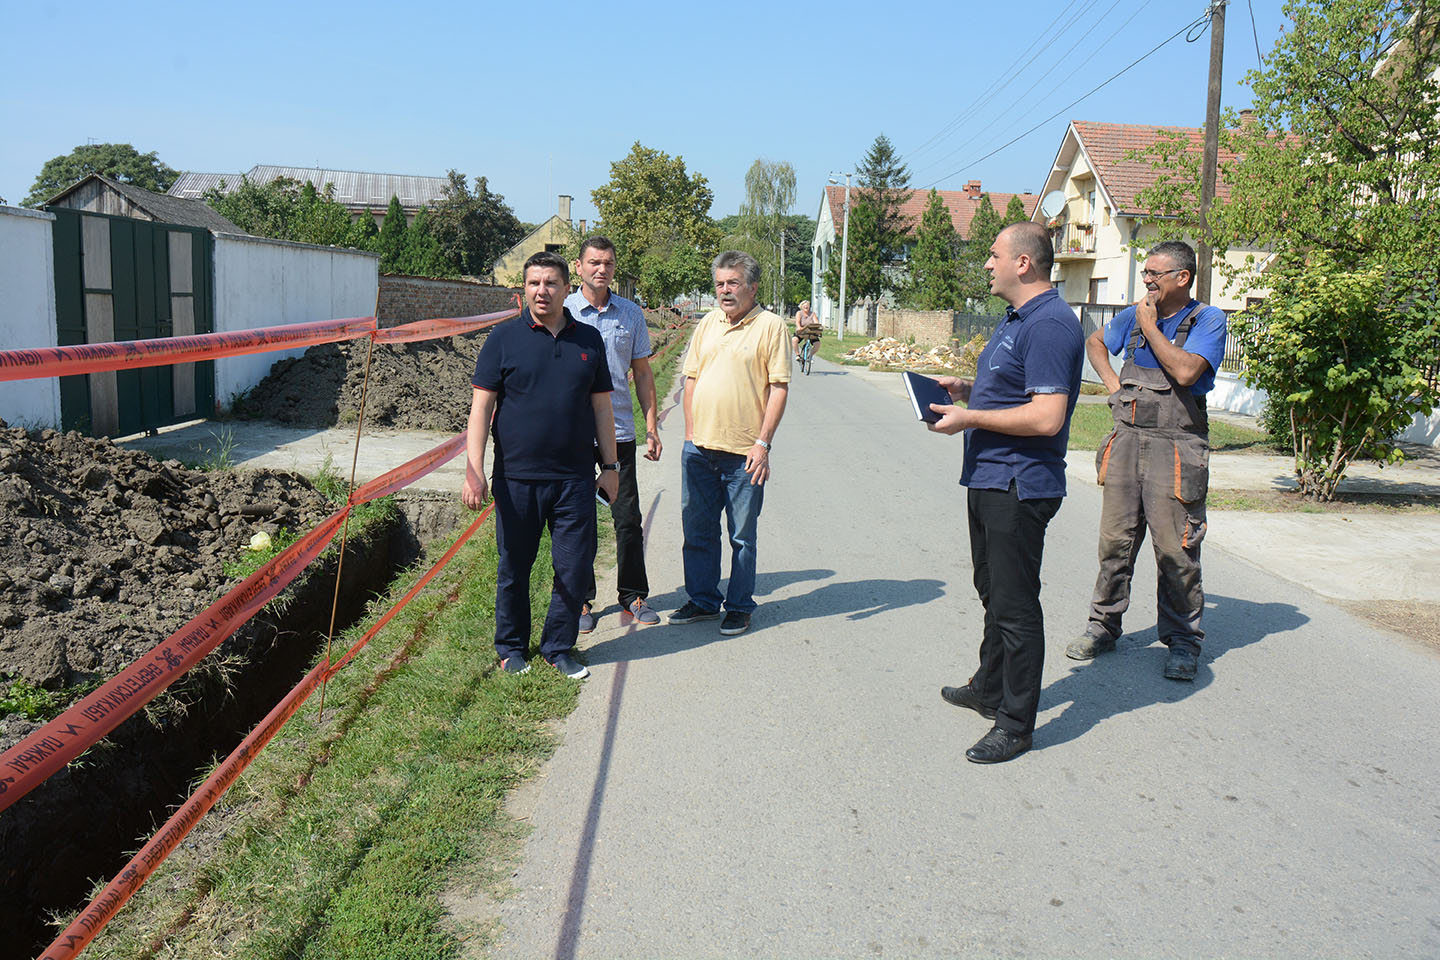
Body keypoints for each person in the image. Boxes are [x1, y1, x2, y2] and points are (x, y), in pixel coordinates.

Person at [930, 222, 1084, 764]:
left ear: (1024, 263)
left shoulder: (1051, 325)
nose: (987, 264)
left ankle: (1016, 723)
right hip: (989, 475)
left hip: (1020, 483)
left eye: (994, 255)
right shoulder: (1015, 319)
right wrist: (971, 391)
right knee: (992, 590)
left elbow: (1047, 417)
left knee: (1016, 607)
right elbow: (1017, 390)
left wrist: (971, 416)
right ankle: (989, 687)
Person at [1067, 240, 1228, 682]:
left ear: (1183, 277)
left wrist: (1151, 326)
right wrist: (1114, 386)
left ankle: (1182, 642)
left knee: (1176, 549)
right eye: (1145, 273)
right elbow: (1096, 342)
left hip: (1176, 450)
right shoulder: (1135, 315)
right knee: (1115, 543)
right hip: (1127, 440)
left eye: (1155, 273)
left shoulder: (1207, 320)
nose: (1147, 280)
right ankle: (1102, 626)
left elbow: (1186, 372)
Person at [461, 251, 619, 679]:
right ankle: (511, 647)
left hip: (574, 480)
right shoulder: (502, 340)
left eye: (550, 283)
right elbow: (481, 409)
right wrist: (474, 468)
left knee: (573, 566)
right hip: (517, 480)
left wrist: (611, 465)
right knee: (514, 567)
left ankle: (558, 646)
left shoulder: (588, 341)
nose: (541, 291)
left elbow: (602, 409)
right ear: (523, 291)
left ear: (567, 289)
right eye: (534, 283)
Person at [668, 250, 790, 637]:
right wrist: (689, 434)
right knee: (698, 531)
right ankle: (703, 600)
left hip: (744, 454)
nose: (724, 290)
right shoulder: (707, 323)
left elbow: (779, 388)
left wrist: (763, 444)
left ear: (752, 287)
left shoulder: (771, 327)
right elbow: (690, 380)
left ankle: (738, 606)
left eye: (733, 283)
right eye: (720, 283)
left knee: (741, 536)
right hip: (699, 450)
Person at [563, 236, 663, 632]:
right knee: (577, 519)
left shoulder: (631, 314)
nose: (600, 269)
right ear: (578, 266)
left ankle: (633, 594)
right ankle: (580, 601)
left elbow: (641, 372)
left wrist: (651, 426)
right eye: (593, 262)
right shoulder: (564, 310)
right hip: (573, 434)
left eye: (607, 263)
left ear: (614, 268)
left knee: (626, 518)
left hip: (619, 431)